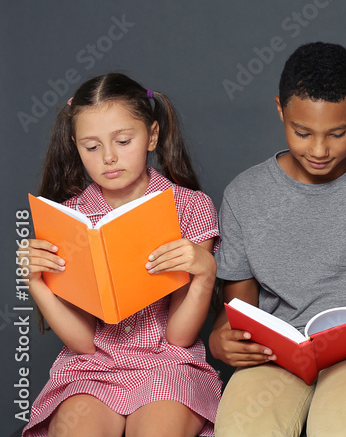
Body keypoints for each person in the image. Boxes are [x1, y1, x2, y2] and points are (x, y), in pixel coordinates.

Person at [209, 42, 346, 437]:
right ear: (280, 109)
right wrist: (220, 338)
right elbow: (238, 307)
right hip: (277, 357)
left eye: (338, 133)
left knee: (341, 428)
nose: (319, 150)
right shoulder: (245, 195)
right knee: (244, 430)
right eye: (302, 132)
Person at [24, 73, 221, 437]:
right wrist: (37, 286)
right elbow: (83, 343)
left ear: (153, 136)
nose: (109, 158)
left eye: (124, 140)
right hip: (94, 368)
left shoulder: (190, 206)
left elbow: (179, 336)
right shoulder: (69, 219)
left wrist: (204, 274)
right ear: (75, 146)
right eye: (91, 147)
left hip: (169, 364)